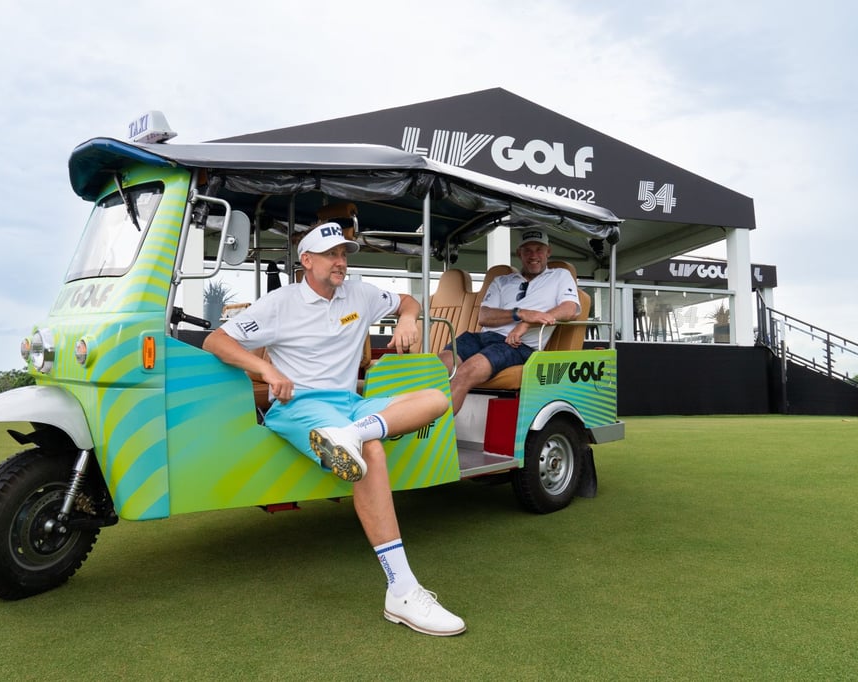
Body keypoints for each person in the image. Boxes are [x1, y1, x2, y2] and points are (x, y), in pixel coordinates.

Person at [202, 222, 465, 637]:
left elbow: (407, 300)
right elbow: (216, 341)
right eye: (330, 255)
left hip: (350, 406)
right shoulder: (279, 302)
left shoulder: (358, 291)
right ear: (306, 261)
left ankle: (353, 434)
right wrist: (265, 368)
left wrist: (407, 320)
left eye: (344, 254)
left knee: (436, 399)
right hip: (297, 406)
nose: (341, 261)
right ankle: (401, 589)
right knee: (373, 452)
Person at [439, 228, 580, 414]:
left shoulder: (560, 276)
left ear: (548, 252)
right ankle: (410, 421)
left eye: (539, 249)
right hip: (482, 338)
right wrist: (520, 314)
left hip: (516, 345)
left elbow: (570, 309)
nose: (533, 255)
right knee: (438, 367)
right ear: (519, 253)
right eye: (527, 250)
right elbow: (484, 317)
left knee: (465, 372)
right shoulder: (502, 281)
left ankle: (435, 435)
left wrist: (527, 323)